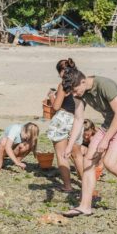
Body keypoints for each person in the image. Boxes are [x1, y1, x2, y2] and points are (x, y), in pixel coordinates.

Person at [62, 68, 117, 217]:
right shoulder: (79, 92)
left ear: (83, 81)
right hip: (108, 124)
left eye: (75, 91)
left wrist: (105, 140)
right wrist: (69, 145)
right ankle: (85, 206)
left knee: (110, 162)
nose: (74, 95)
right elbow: (79, 119)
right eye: (72, 93)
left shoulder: (105, 85)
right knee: (88, 161)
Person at [45, 58, 84, 192]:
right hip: (77, 119)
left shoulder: (63, 84)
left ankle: (68, 186)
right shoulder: (81, 81)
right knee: (77, 154)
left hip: (63, 118)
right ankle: (86, 184)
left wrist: (51, 96)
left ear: (62, 71)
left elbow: (56, 106)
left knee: (62, 155)